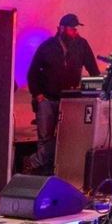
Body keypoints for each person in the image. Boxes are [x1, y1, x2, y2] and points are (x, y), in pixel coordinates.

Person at [25, 13, 99, 174]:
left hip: (71, 100)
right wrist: (38, 95)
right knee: (45, 137)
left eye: (76, 29)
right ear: (61, 29)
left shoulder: (81, 44)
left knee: (67, 136)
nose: (75, 32)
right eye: (72, 29)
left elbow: (93, 69)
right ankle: (43, 171)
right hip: (47, 99)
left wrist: (97, 88)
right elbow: (32, 73)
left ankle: (34, 162)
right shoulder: (47, 47)